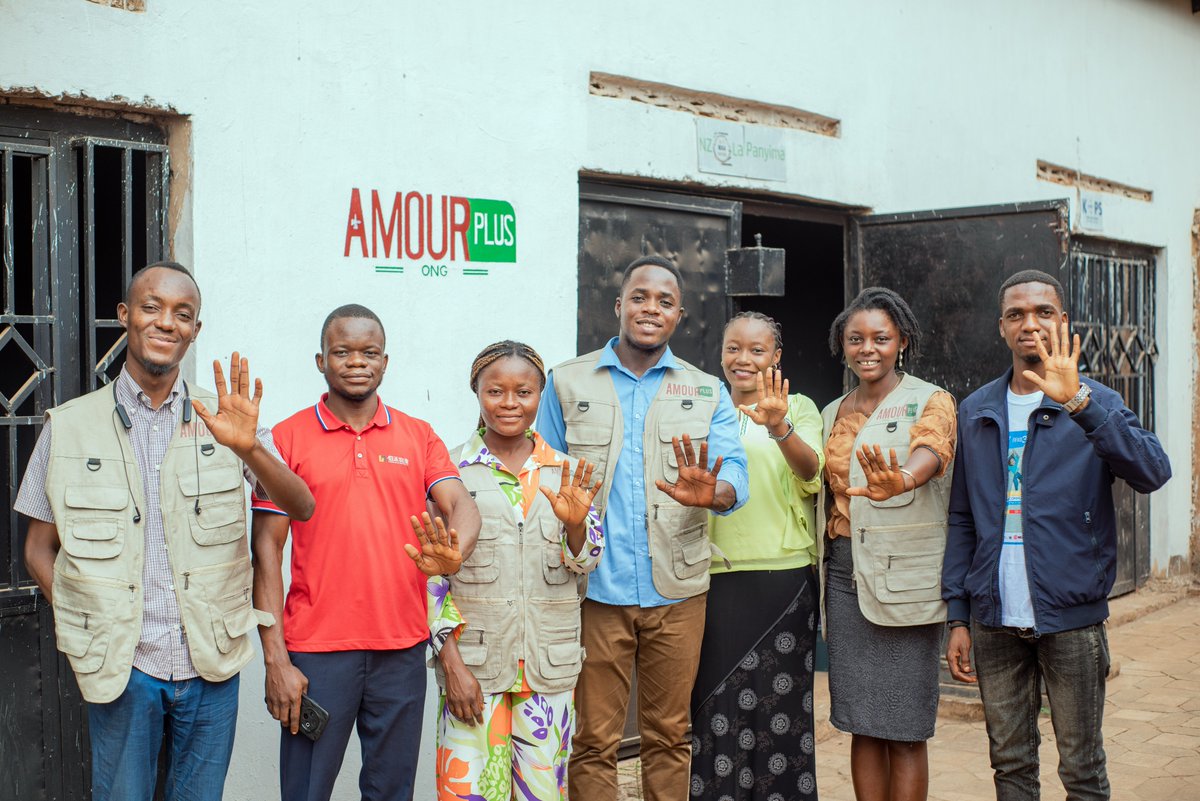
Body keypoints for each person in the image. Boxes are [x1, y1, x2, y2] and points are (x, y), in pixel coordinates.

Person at [17, 261, 316, 801]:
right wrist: (89, 624)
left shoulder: (227, 420)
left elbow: (302, 506)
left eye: (183, 314)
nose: (166, 322)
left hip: (212, 666)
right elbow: (39, 549)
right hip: (124, 668)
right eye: (151, 308)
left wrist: (248, 447)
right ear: (125, 316)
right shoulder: (68, 426)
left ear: (195, 330)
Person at [943, 269, 1171, 801]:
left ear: (1063, 322)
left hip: (1072, 620)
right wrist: (958, 614)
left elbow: (1152, 472)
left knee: (1083, 770)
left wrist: (1081, 406)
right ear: (1001, 328)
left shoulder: (1096, 401)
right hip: (994, 622)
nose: (1031, 324)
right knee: (1011, 766)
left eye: (1044, 312)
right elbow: (962, 518)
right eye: (1017, 314)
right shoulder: (976, 409)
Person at [536, 254, 750, 801]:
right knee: (592, 741)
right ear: (619, 306)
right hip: (593, 590)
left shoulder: (706, 391)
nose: (650, 309)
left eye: (664, 302)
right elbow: (541, 480)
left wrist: (716, 492)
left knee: (669, 735)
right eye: (639, 297)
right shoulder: (565, 381)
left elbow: (736, 477)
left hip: (677, 592)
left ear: (678, 316)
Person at [250, 303, 481, 801]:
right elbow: (265, 548)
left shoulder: (417, 435)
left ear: (385, 361)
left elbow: (460, 503)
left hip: (400, 649)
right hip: (316, 653)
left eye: (369, 352)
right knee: (306, 791)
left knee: (391, 791)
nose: (357, 362)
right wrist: (275, 658)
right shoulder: (286, 438)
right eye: (342, 351)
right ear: (320, 361)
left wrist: (455, 551)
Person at [429, 340, 606, 801]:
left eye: (523, 392)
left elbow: (587, 562)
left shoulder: (568, 473)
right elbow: (429, 580)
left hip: (548, 671)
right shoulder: (447, 473)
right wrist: (451, 665)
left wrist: (573, 527)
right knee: (469, 794)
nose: (510, 403)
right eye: (496, 391)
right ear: (477, 393)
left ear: (540, 395)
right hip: (475, 670)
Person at [817, 286, 957, 801]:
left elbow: (932, 450)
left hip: (906, 578)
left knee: (904, 727)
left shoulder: (930, 399)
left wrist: (905, 479)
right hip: (844, 572)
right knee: (861, 721)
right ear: (843, 344)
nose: (867, 348)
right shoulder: (833, 411)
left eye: (881, 337)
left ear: (901, 341)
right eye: (856, 338)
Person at [690, 312, 825, 800]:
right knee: (716, 711)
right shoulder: (700, 408)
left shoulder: (800, 406)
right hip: (711, 579)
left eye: (757, 350)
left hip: (783, 581)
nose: (743, 359)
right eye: (733, 348)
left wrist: (780, 426)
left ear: (776, 357)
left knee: (780, 714)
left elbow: (813, 472)